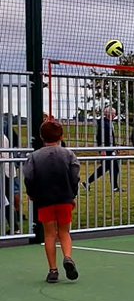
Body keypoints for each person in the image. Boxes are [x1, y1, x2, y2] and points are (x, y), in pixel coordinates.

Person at [22, 119, 81, 284]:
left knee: (49, 234)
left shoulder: (34, 157)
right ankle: (68, 257)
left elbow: (29, 177)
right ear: (61, 136)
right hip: (64, 198)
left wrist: (32, 194)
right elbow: (74, 176)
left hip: (45, 199)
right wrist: (72, 195)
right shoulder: (69, 154)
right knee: (64, 232)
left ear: (41, 137)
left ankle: (53, 270)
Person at [84, 106, 122, 192]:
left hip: (110, 148)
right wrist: (103, 149)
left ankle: (88, 182)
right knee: (109, 168)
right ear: (110, 114)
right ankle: (89, 182)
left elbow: (111, 137)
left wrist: (115, 147)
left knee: (110, 168)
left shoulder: (108, 123)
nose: (115, 115)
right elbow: (100, 137)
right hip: (106, 149)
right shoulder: (103, 123)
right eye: (114, 114)